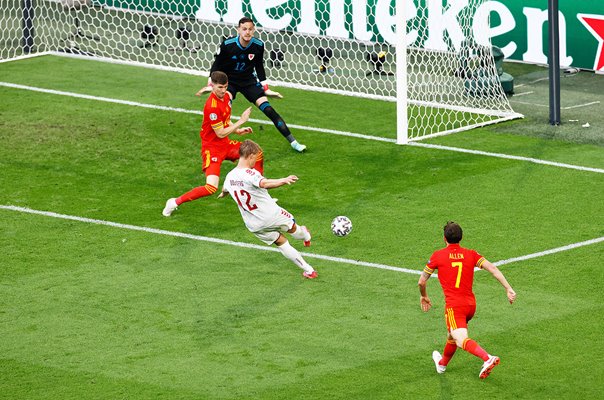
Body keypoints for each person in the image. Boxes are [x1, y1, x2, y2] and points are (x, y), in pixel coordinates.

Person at [418, 221, 516, 379]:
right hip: (470, 305)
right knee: (452, 334)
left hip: (454, 307)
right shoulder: (471, 254)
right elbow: (492, 268)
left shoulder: (438, 256)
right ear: (461, 238)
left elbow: (421, 281)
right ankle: (442, 364)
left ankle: (487, 358)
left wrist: (424, 295)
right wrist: (508, 288)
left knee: (460, 339)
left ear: (444, 238)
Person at [196, 17, 307, 153]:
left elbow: (259, 66)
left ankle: (294, 142)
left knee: (269, 110)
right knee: (223, 109)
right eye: (244, 29)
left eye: (250, 29)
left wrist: (265, 88)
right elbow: (217, 64)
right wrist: (210, 84)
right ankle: (218, 143)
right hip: (230, 82)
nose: (247, 32)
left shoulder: (258, 45)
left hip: (249, 81)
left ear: (253, 31)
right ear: (238, 30)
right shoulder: (228, 44)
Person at [162, 71, 263, 217]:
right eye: (220, 87)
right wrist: (241, 121)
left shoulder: (227, 97)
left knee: (256, 154)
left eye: (226, 87)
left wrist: (238, 130)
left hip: (225, 144)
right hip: (212, 148)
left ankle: (258, 194)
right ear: (212, 85)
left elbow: (226, 120)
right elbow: (220, 132)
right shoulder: (211, 106)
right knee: (211, 187)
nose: (223, 91)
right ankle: (174, 202)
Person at [219, 139, 317, 279]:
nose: (255, 162)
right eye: (256, 157)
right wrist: (282, 180)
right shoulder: (250, 174)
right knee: (294, 229)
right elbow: (264, 183)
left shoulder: (229, 177)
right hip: (272, 215)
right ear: (251, 155)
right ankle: (306, 236)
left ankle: (309, 270)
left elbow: (225, 189)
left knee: (281, 242)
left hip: (254, 224)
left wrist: (223, 193)